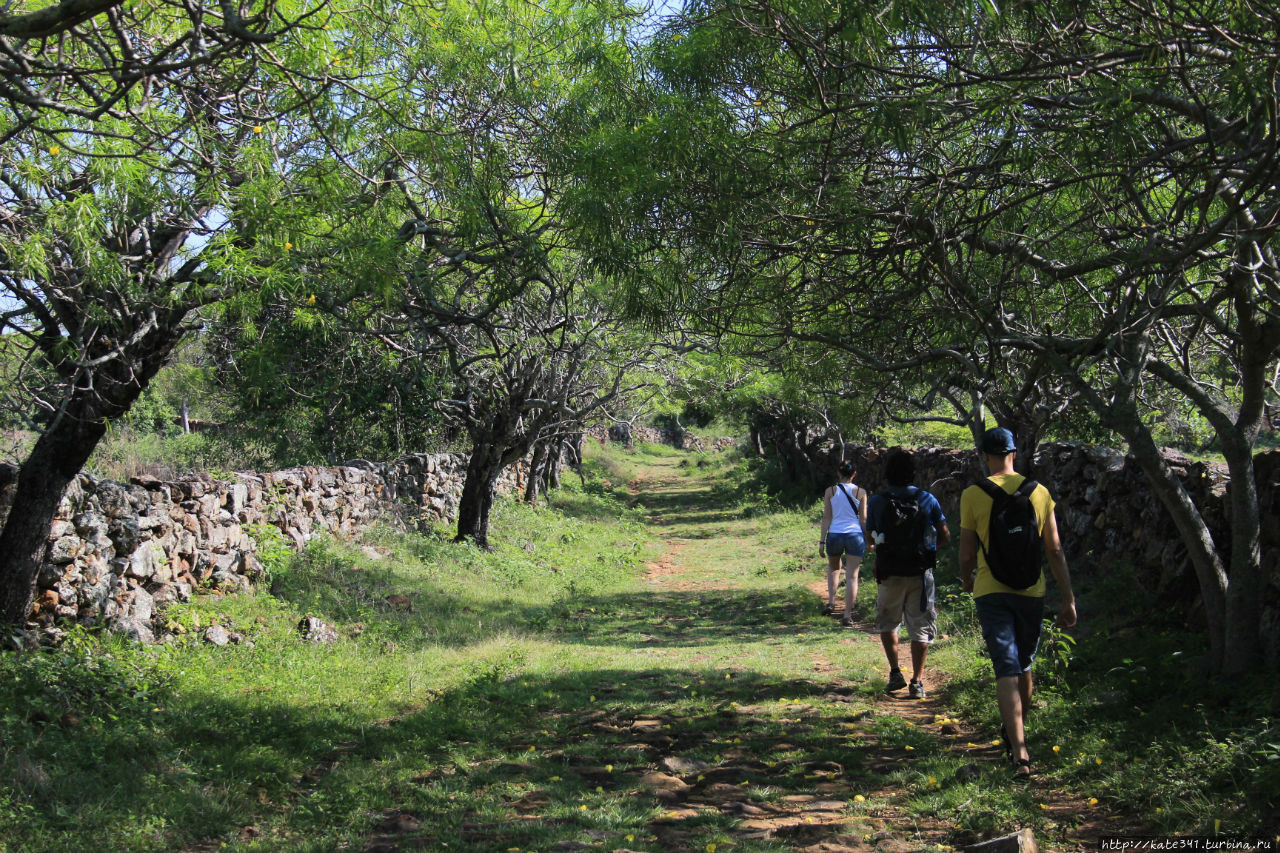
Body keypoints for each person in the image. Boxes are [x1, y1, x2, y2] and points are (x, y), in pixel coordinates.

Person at [959, 427, 1077, 779]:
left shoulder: (973, 495)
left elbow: (966, 553)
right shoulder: (1039, 492)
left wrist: (967, 578)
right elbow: (1054, 549)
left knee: (1005, 666)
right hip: (1032, 591)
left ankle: (1019, 751)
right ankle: (1018, 738)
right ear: (1015, 452)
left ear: (985, 455)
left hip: (991, 591)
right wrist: (1068, 598)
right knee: (1024, 663)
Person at [867, 448, 950, 699]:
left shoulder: (878, 502)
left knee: (889, 622)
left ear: (887, 474)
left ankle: (894, 672)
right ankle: (917, 681)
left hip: (889, 572)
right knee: (921, 627)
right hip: (921, 573)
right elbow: (945, 535)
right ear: (913, 473)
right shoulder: (927, 500)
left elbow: (869, 537)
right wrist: (927, 550)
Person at [818, 460, 869, 627]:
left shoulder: (830, 491)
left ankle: (831, 602)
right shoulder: (861, 492)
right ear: (854, 474)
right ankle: (847, 614)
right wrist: (869, 539)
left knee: (834, 569)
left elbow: (827, 517)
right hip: (854, 534)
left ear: (838, 474)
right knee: (852, 575)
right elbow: (863, 519)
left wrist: (822, 541)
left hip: (835, 534)